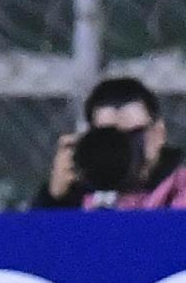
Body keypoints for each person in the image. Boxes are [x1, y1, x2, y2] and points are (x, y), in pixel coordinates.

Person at [32, 76, 186, 210]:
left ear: (159, 133)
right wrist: (54, 198)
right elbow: (38, 234)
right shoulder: (79, 193)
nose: (123, 147)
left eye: (134, 134)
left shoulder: (179, 188)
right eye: (110, 138)